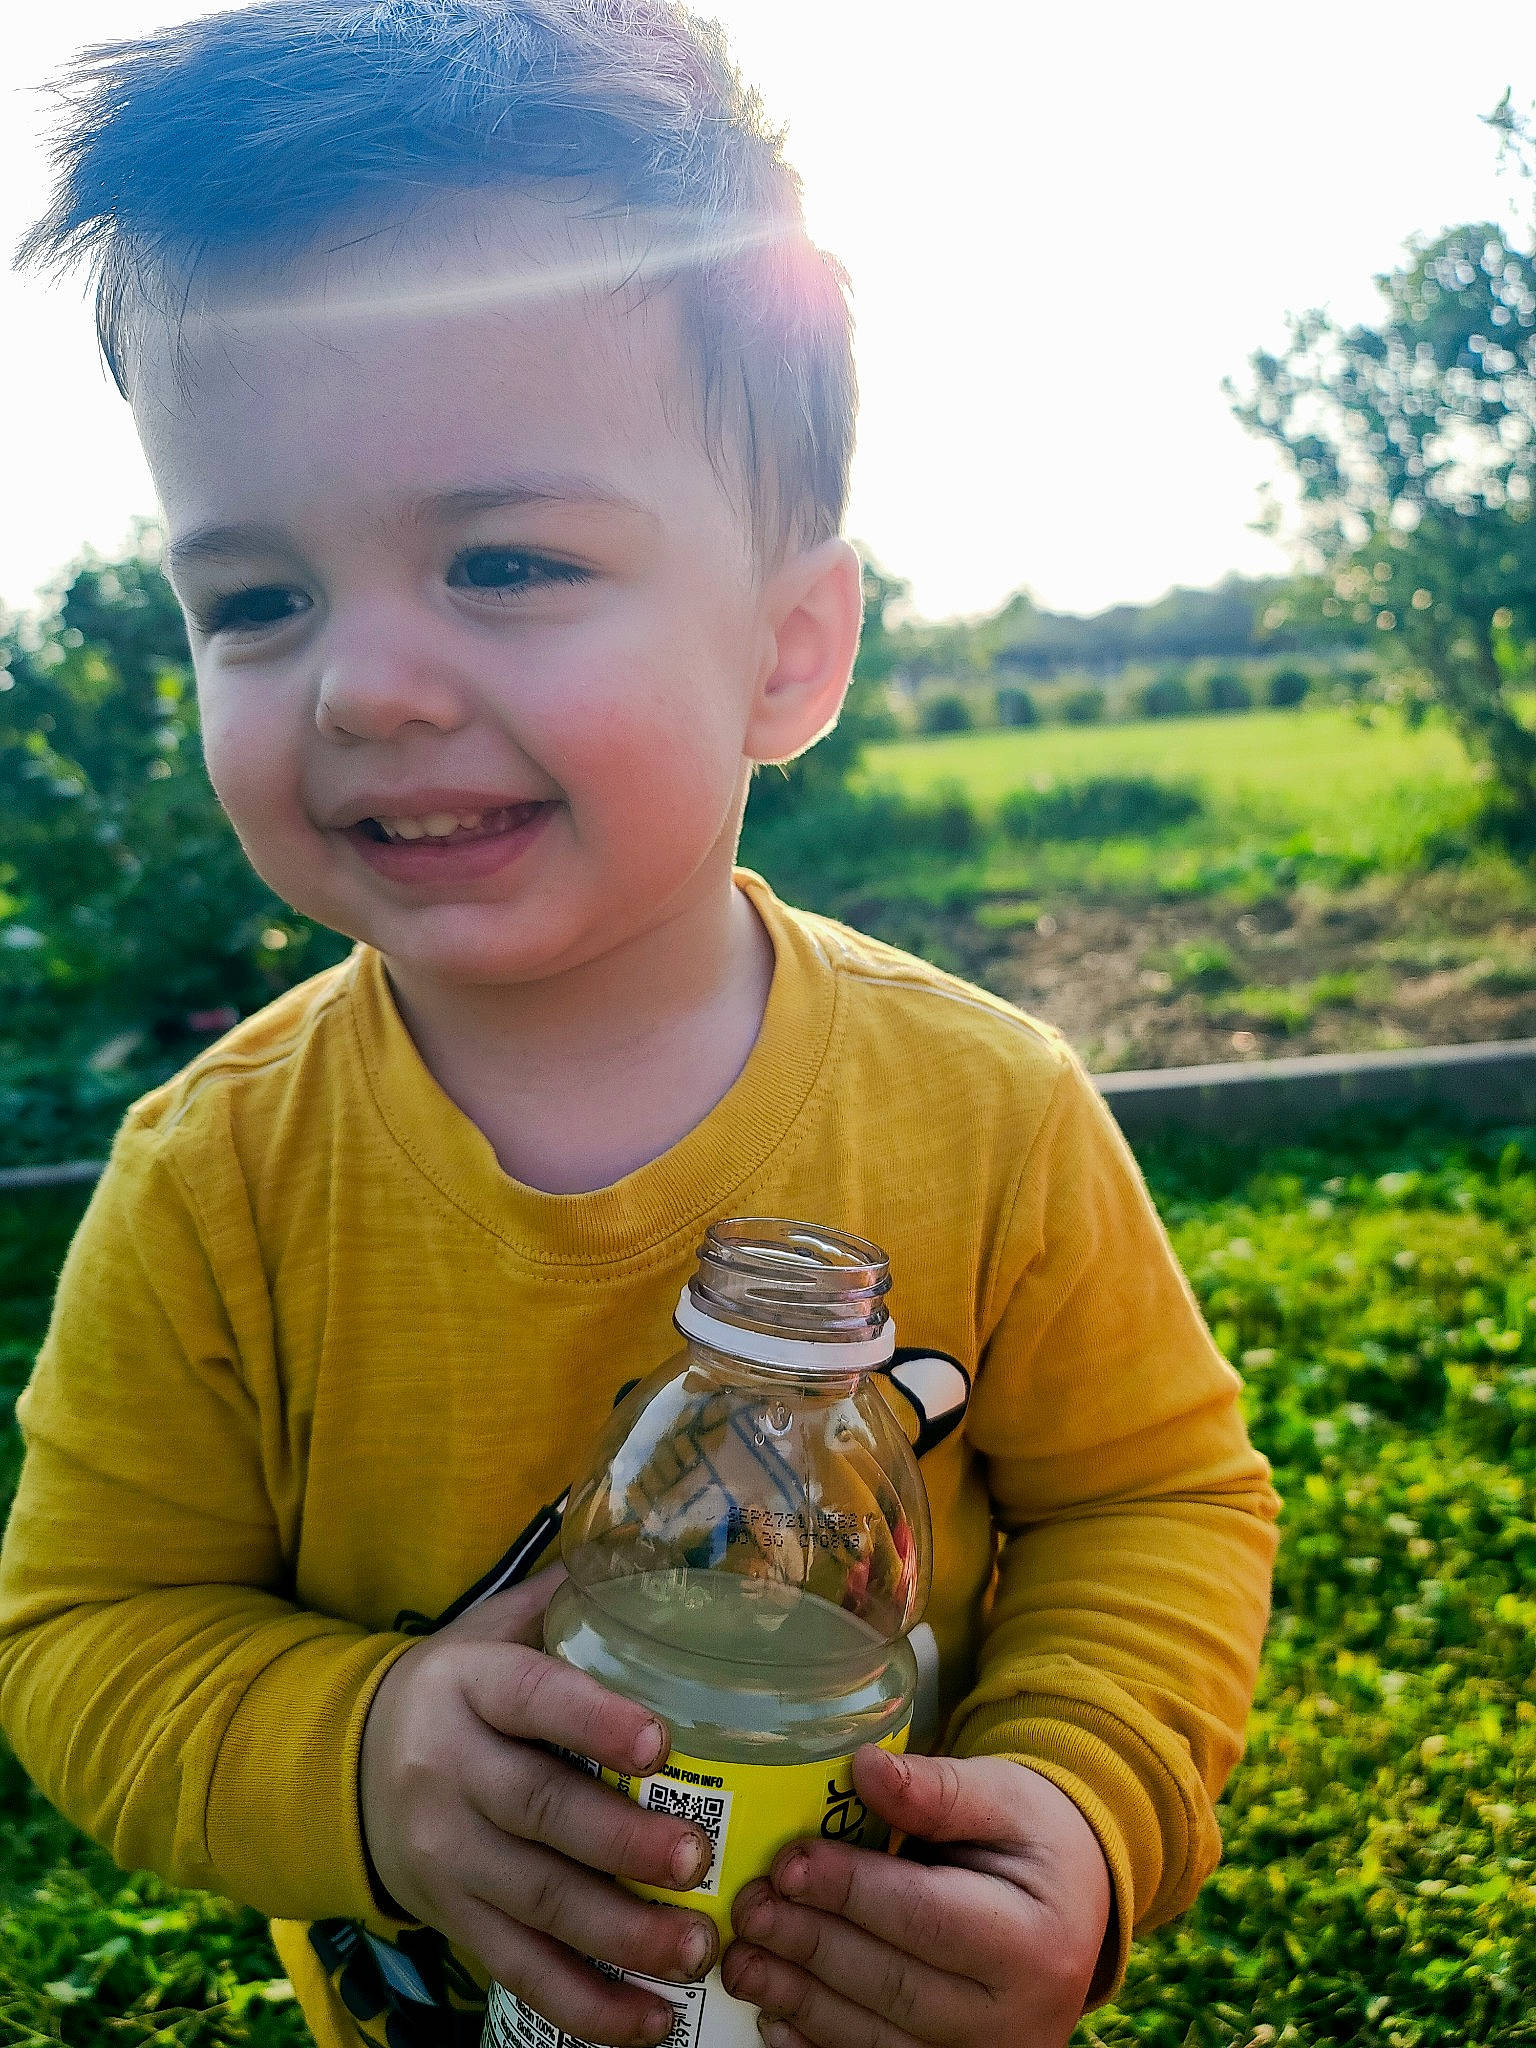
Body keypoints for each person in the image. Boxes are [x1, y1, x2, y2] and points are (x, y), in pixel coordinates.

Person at [0, 6, 1280, 2047]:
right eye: (256, 600)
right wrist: (367, 1753)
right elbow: (84, 1633)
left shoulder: (989, 1113)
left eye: (502, 560)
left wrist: (1084, 1796)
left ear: (788, 647)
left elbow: (1161, 1503)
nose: (362, 688)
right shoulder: (215, 1185)